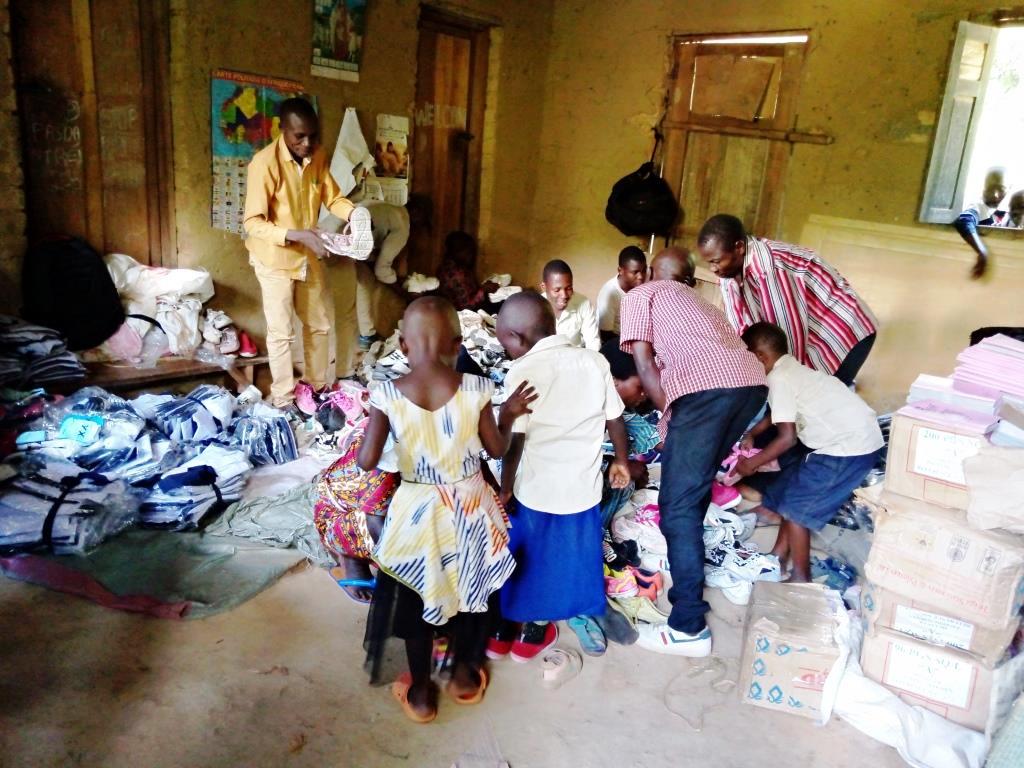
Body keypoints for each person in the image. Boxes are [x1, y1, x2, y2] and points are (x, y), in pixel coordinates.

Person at [357, 296, 536, 723]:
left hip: (418, 514)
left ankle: (421, 694)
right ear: (458, 344)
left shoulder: (387, 394)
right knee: (472, 591)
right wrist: (508, 415)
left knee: (417, 597)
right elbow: (497, 449)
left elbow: (366, 460)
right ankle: (463, 678)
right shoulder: (476, 389)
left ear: (403, 345)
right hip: (471, 508)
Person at [620, 247, 767, 656]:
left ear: (651, 273)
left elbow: (645, 364)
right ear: (688, 279)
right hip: (750, 387)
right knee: (693, 487)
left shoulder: (642, 294)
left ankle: (688, 625)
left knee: (677, 504)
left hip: (706, 392)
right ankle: (684, 555)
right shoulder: (702, 304)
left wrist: (669, 421)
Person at [487, 292, 630, 662]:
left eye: (505, 344)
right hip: (582, 489)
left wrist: (505, 488)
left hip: (536, 489)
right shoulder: (594, 362)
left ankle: (521, 621)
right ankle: (576, 610)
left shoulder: (522, 371)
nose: (507, 352)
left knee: (529, 556)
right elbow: (614, 417)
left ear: (516, 338)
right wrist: (622, 461)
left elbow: (515, 440)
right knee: (574, 555)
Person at [243, 97, 372, 413]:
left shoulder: (318, 155)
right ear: (282, 129)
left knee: (319, 324)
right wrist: (297, 234)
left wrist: (354, 214)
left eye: (313, 136)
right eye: (299, 136)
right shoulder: (264, 164)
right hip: (274, 259)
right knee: (281, 333)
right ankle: (284, 399)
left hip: (307, 255)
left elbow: (333, 197)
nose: (307, 143)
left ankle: (316, 389)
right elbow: (252, 223)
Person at [735, 322, 884, 582]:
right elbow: (779, 413)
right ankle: (779, 557)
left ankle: (801, 577)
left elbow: (787, 438)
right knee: (792, 493)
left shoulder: (778, 379)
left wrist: (751, 464)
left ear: (760, 357)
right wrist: (752, 434)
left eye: (747, 360)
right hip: (856, 439)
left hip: (846, 448)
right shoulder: (792, 370)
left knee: (795, 512)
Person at [698, 213, 877, 386]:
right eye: (709, 263)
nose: (713, 269)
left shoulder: (769, 269)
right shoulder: (728, 270)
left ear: (739, 247)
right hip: (812, 332)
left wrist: (787, 386)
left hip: (844, 328)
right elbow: (737, 327)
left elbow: (788, 339)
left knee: (821, 396)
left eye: (716, 261)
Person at [953, 167, 1009, 278]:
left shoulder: (1002, 212)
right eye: (992, 188)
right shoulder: (977, 206)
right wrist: (982, 251)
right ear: (984, 188)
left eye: (1001, 189)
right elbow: (963, 221)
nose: (996, 194)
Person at [540, 260, 600, 350]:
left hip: (576, 356)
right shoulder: (534, 307)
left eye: (568, 288)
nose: (564, 295)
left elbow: (593, 342)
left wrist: (591, 358)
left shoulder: (584, 303)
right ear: (544, 287)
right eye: (557, 290)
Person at [437, 231, 500, 313]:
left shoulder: (452, 266)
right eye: (468, 252)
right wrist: (484, 290)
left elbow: (470, 293)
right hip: (461, 314)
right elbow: (466, 307)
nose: (471, 256)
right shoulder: (456, 275)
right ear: (457, 252)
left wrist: (483, 288)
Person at [597, 246, 648, 342]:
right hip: (616, 340)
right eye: (635, 272)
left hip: (639, 337)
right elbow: (605, 334)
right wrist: (629, 345)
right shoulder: (609, 293)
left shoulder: (644, 284)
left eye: (644, 270)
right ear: (620, 271)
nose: (641, 276)